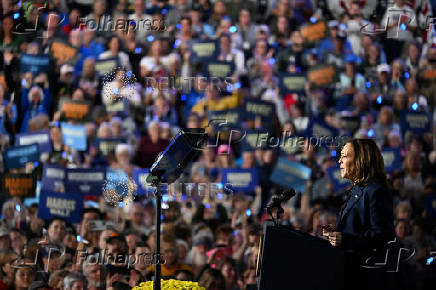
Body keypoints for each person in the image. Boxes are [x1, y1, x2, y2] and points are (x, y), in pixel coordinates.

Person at [323, 138, 395, 290]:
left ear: (361, 159)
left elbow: (383, 235)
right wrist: (336, 232)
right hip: (349, 270)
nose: (340, 161)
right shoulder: (357, 189)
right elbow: (357, 228)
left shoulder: (376, 191)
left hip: (366, 276)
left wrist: (345, 239)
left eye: (345, 156)